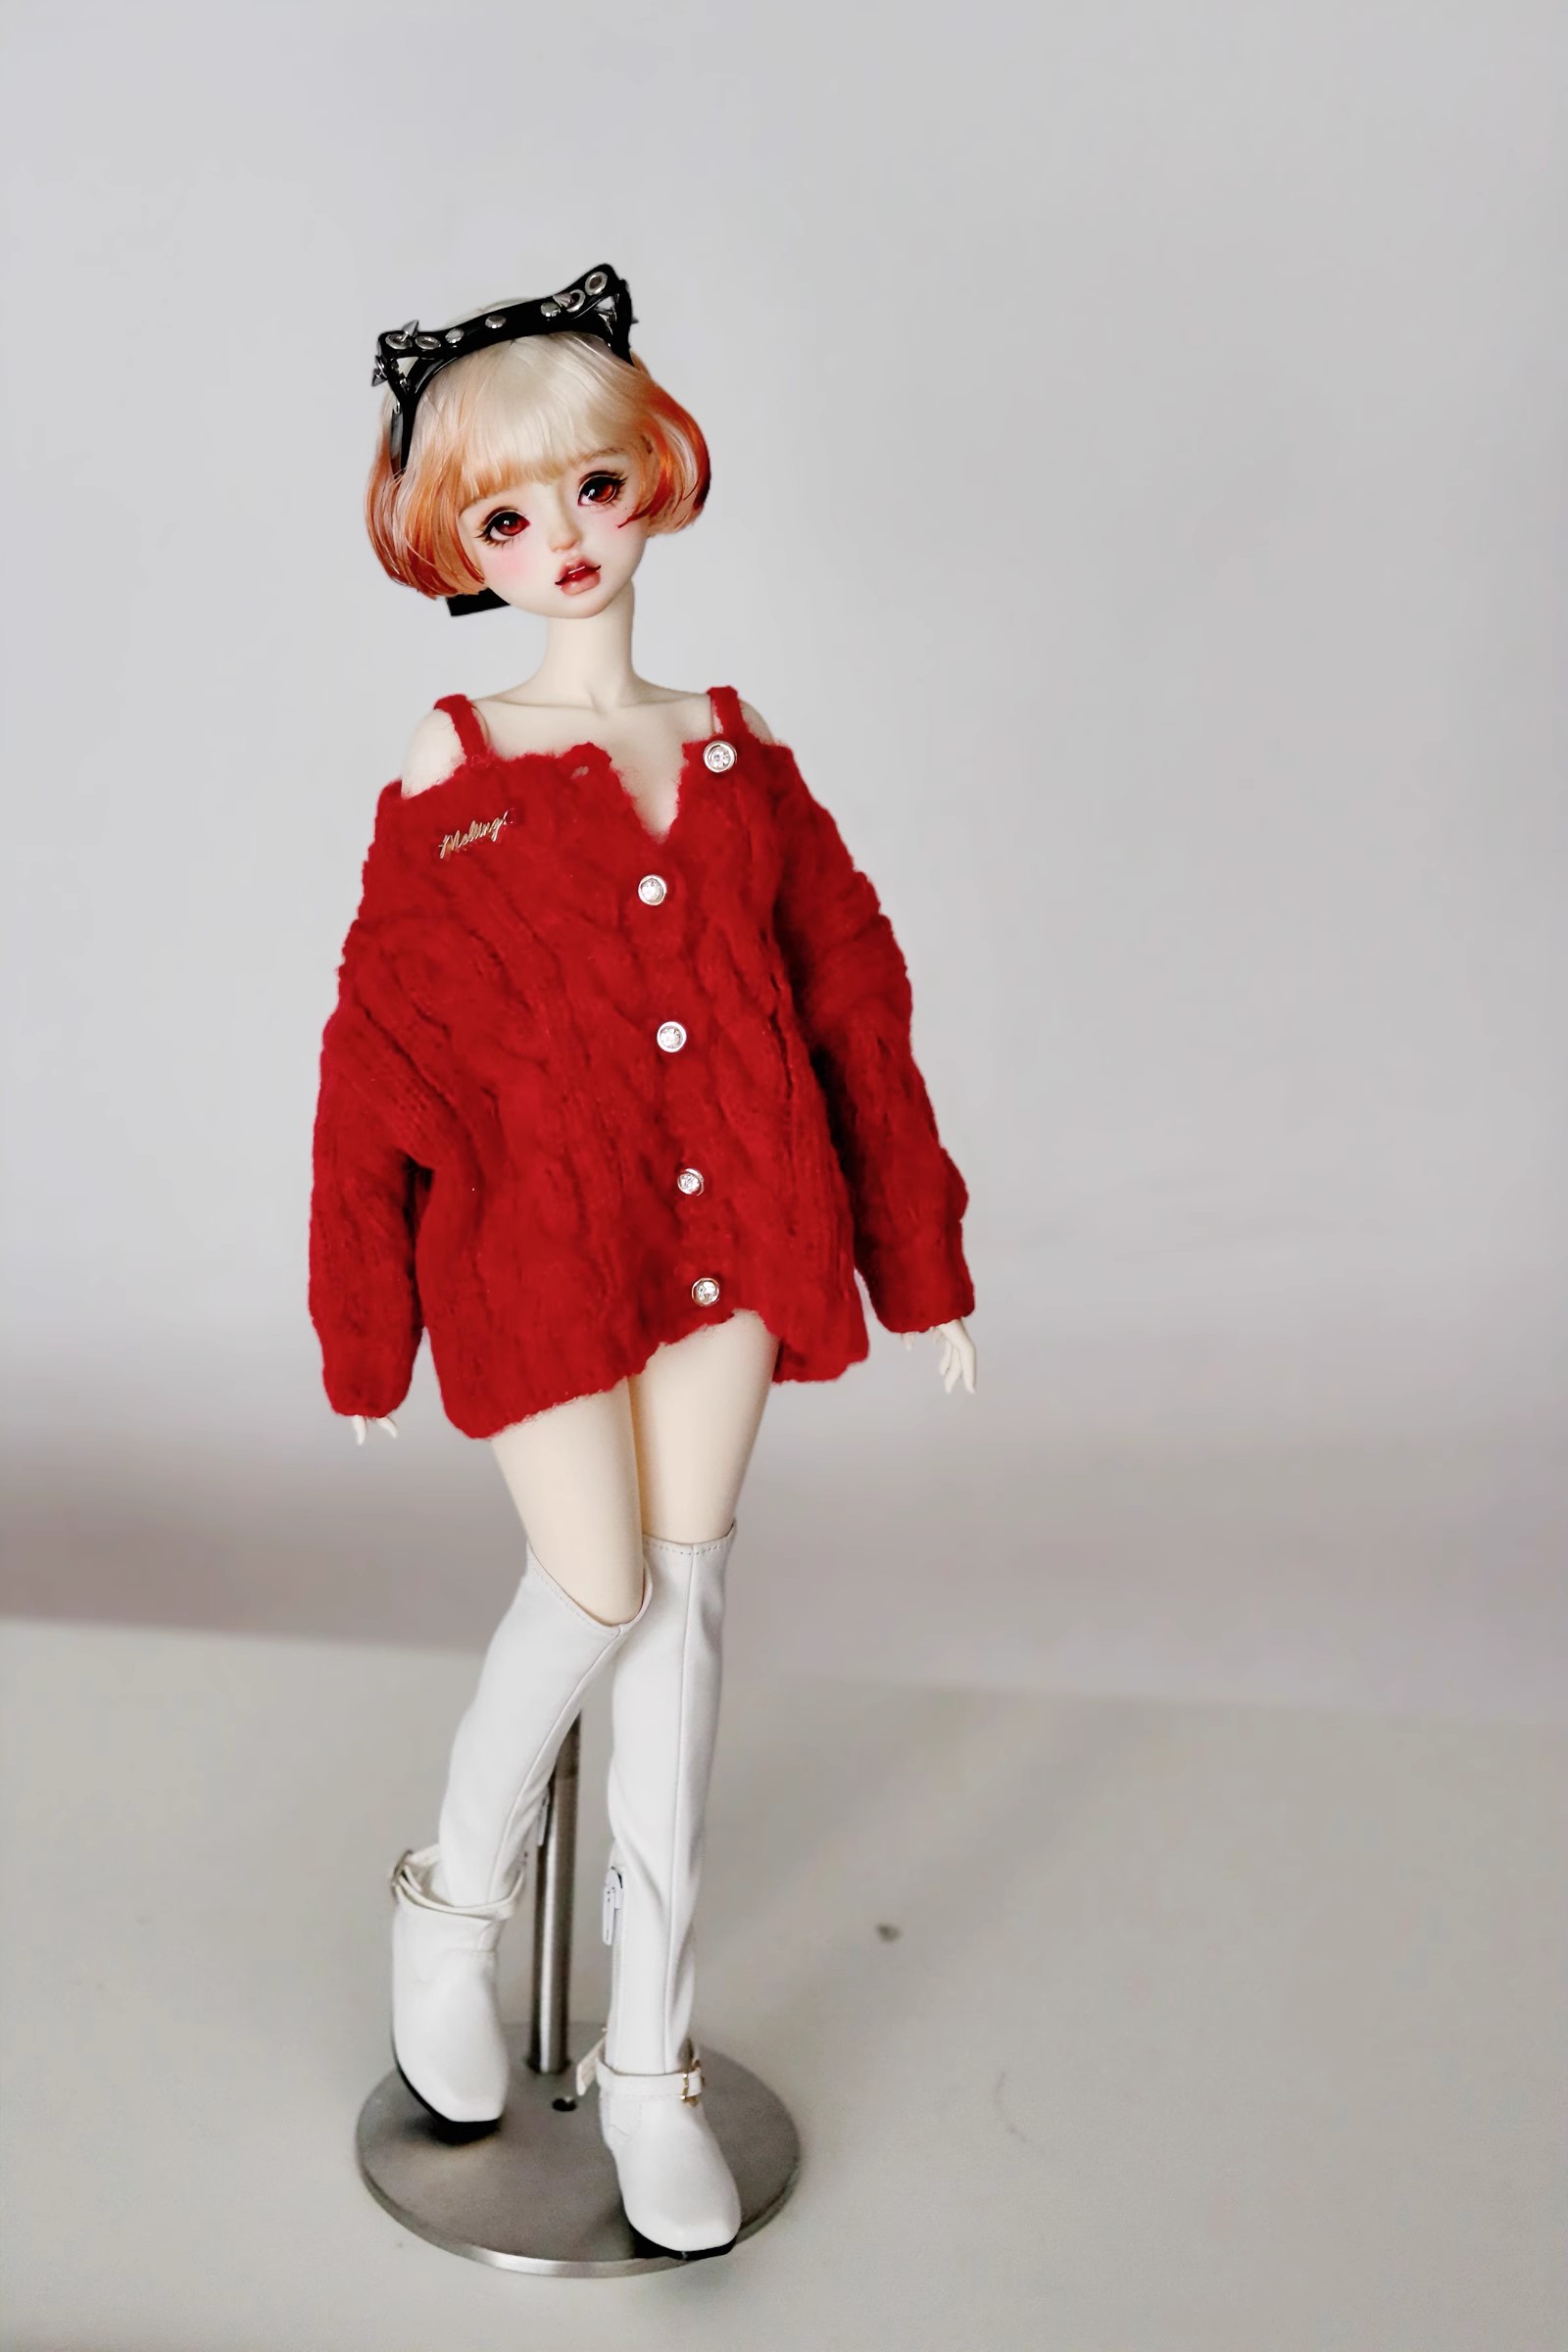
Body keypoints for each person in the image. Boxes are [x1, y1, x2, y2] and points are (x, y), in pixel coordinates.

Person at [309, 264, 978, 2259]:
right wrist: (364, 1322)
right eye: (509, 516)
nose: (564, 543)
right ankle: (451, 1901)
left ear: (652, 479)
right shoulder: (450, 778)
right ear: (459, 545)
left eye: (591, 490)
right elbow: (379, 1058)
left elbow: (852, 1000)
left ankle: (649, 2060)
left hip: (737, 1235)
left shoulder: (741, 755)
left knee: (684, 1606)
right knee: (592, 1584)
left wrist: (921, 1258)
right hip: (539, 1257)